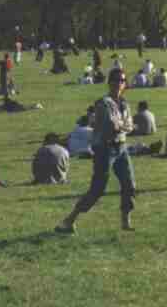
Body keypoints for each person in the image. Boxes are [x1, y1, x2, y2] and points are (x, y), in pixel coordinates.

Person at [57, 67, 137, 233]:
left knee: (129, 184)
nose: (119, 83)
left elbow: (128, 126)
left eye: (122, 80)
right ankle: (69, 220)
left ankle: (125, 220)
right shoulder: (103, 103)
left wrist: (122, 126)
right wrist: (123, 126)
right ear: (109, 83)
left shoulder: (124, 103)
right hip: (104, 149)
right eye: (115, 80)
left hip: (121, 147)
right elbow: (111, 126)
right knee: (98, 189)